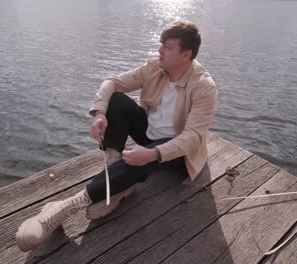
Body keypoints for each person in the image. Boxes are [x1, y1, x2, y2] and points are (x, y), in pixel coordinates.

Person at [15, 20, 218, 252]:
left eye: (168, 47)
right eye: (161, 44)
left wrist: (152, 153)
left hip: (178, 153)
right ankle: (116, 180)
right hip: (149, 137)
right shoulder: (154, 68)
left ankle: (65, 207)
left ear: (186, 54)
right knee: (117, 100)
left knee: (145, 157)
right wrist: (100, 113)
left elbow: (192, 137)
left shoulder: (204, 86)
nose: (160, 50)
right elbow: (113, 82)